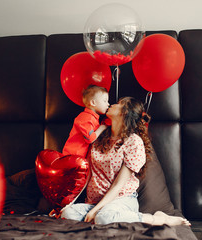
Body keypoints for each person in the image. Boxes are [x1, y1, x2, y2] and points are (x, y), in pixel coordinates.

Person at [61, 97, 191, 227]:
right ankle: (98, 213)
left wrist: (96, 210)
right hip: (94, 202)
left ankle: (157, 218)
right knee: (67, 214)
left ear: (124, 113)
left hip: (121, 200)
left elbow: (119, 184)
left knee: (104, 218)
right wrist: (69, 203)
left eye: (118, 104)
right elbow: (88, 175)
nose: (112, 104)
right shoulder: (98, 136)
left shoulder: (134, 142)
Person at [62, 85, 110, 158]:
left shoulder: (93, 117)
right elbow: (90, 138)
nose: (108, 104)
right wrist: (102, 128)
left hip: (79, 156)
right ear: (93, 103)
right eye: (105, 101)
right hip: (73, 155)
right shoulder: (86, 118)